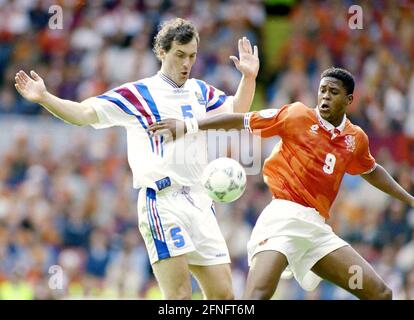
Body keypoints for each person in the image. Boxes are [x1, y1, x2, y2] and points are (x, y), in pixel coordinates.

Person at [14, 18, 260, 299]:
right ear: (162, 52)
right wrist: (45, 97)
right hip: (163, 202)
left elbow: (237, 109)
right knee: (179, 297)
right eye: (179, 55)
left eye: (192, 56)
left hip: (201, 201)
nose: (186, 64)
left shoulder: (200, 91)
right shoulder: (138, 94)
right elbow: (83, 114)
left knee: (224, 297)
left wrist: (248, 78)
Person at [148, 67, 414, 300]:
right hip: (282, 218)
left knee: (381, 293)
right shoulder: (296, 115)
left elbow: (371, 170)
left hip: (316, 229)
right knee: (258, 295)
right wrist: (188, 126)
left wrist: (410, 200)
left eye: (333, 92)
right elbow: (240, 121)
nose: (324, 97)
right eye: (322, 90)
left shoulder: (356, 138)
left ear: (349, 100)